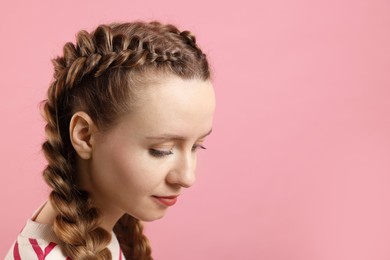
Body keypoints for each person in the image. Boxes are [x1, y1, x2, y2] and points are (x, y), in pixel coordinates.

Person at [5, 21, 215, 260]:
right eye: (162, 150)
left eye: (197, 145)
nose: (187, 177)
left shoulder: (97, 229)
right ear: (84, 135)